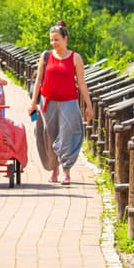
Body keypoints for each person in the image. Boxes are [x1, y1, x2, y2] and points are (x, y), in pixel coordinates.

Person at [28, 22, 94, 185]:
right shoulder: (45, 56)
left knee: (66, 136)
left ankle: (66, 171)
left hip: (68, 102)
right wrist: (33, 103)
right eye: (51, 40)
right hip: (47, 102)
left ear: (65, 39)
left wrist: (89, 106)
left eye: (57, 39)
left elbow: (82, 83)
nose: (53, 43)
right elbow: (38, 81)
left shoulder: (75, 58)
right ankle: (54, 169)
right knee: (48, 135)